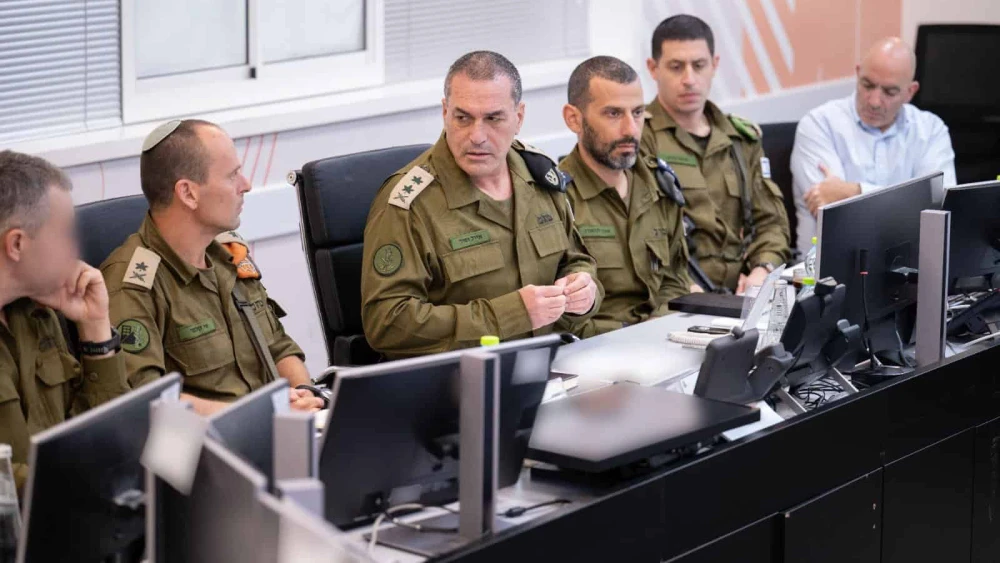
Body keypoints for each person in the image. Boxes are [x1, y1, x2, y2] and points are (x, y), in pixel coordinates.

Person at [361, 51, 602, 358]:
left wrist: (584, 289)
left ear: (519, 117)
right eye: (463, 118)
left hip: (555, 364)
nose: (476, 136)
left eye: (493, 118)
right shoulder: (408, 204)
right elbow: (386, 323)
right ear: (445, 112)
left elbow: (576, 259)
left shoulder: (539, 174)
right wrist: (510, 314)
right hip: (459, 382)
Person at [101, 120, 323, 415]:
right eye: (232, 176)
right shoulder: (132, 285)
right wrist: (262, 417)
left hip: (274, 432)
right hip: (206, 448)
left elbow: (279, 346)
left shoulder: (228, 253)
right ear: (188, 193)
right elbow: (147, 402)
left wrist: (304, 395)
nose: (246, 185)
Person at [0, 150, 129, 493]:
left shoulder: (40, 310)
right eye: (65, 235)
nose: (76, 250)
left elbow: (107, 434)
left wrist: (95, 328)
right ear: (16, 244)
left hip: (79, 513)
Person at [640, 15, 791, 294]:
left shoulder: (740, 139)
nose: (689, 79)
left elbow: (771, 222)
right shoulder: (640, 141)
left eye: (699, 65)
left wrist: (762, 270)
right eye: (676, 67)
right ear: (653, 68)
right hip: (677, 296)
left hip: (743, 293)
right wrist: (681, 287)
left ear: (715, 65)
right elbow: (639, 237)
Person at [557, 56, 691, 337]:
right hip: (595, 352)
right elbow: (557, 317)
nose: (631, 129)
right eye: (613, 114)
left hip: (663, 340)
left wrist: (660, 326)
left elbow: (675, 281)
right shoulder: (556, 200)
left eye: (638, 113)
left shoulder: (660, 184)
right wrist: (632, 334)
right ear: (574, 119)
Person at [790, 37, 957, 254]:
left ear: (910, 92)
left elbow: (939, 212)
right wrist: (910, 206)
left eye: (889, 92)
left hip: (909, 272)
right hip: (828, 274)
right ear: (858, 73)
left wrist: (853, 192)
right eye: (867, 85)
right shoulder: (819, 125)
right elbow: (834, 216)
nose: (874, 101)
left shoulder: (931, 130)